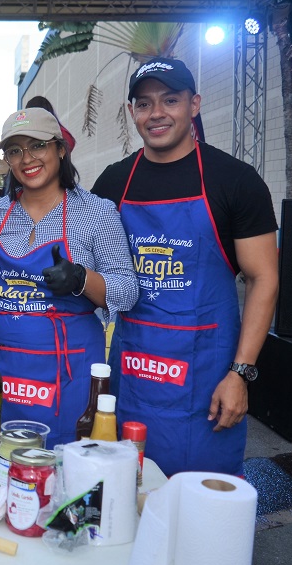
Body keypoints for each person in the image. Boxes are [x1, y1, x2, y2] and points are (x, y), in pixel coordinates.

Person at [91, 56, 278, 477]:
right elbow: (92, 270)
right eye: (143, 103)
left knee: (201, 515)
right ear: (132, 112)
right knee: (126, 497)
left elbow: (263, 277)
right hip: (132, 372)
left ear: (194, 105)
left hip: (208, 381)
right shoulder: (113, 183)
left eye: (169, 100)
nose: (156, 113)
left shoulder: (235, 180)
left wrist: (241, 373)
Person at [0, 107, 138, 449]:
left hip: (68, 370)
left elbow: (127, 289)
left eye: (37, 146)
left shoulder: (97, 211)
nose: (26, 158)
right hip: (4, 367)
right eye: (14, 150)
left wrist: (80, 278)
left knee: (64, 469)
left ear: (60, 149)